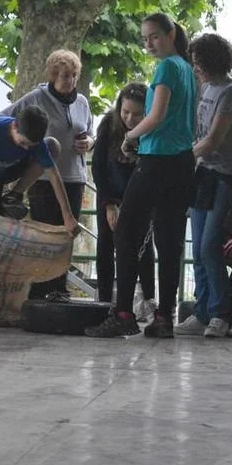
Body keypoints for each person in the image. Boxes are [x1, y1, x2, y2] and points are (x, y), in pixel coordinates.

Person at [85, 12, 197, 339]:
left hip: (157, 159)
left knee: (125, 233)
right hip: (182, 162)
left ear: (170, 34)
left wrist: (130, 137)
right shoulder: (188, 69)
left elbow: (157, 115)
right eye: (145, 38)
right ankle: (164, 317)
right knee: (169, 240)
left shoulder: (166, 68)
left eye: (154, 36)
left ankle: (123, 313)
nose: (149, 43)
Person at [176, 32, 232, 338]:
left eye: (199, 63)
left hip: (228, 176)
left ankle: (221, 312)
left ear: (213, 62)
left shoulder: (230, 92)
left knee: (210, 245)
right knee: (198, 246)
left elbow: (213, 140)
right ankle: (203, 311)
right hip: (205, 173)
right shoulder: (207, 88)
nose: (196, 68)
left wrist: (181, 158)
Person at [1, 49, 93, 299]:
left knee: (66, 233)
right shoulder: (36, 98)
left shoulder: (82, 102)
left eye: (73, 75)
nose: (69, 81)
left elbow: (89, 132)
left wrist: (88, 142)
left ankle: (59, 288)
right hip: (43, 178)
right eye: (63, 75)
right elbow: (6, 118)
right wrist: (23, 149)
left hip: (74, 176)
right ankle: (39, 288)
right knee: (44, 233)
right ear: (52, 75)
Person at [0, 107, 79, 238]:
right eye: (23, 143)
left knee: (52, 146)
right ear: (14, 126)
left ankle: (13, 195)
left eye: (31, 145)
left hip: (5, 171)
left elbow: (54, 175)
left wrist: (68, 216)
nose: (26, 148)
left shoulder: (35, 143)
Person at [91, 83, 156, 318]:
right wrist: (109, 204)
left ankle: (148, 299)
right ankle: (104, 300)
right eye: (125, 112)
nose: (129, 119)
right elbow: (98, 167)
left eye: (137, 114)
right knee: (105, 244)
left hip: (138, 197)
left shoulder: (152, 129)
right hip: (110, 193)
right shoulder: (109, 124)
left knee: (143, 247)